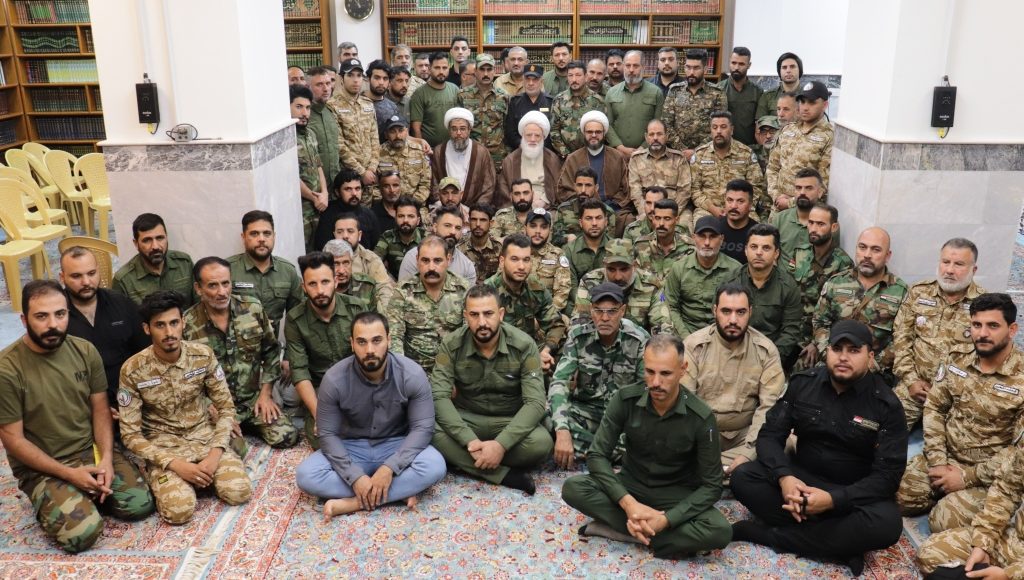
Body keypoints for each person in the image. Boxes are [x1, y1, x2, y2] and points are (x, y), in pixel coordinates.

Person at [730, 320, 908, 576]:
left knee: (887, 524)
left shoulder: (886, 405)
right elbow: (769, 436)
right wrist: (784, 478)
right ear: (827, 351)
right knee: (743, 477)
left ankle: (769, 535)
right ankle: (840, 543)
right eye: (837, 349)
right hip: (800, 482)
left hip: (850, 494)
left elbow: (888, 476)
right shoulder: (803, 383)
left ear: (870, 357)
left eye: (853, 350)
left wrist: (833, 501)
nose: (843, 357)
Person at [0, 281, 154, 552]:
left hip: (88, 451)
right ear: (24, 320)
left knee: (140, 504)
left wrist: (105, 459)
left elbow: (100, 410)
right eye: (41, 316)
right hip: (45, 466)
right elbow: (13, 439)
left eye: (60, 314)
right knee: (81, 535)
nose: (53, 324)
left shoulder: (85, 351)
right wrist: (70, 475)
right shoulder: (7, 369)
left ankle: (86, 491)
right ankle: (58, 496)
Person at [562, 334, 731, 557]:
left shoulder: (701, 417)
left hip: (675, 493)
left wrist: (667, 519)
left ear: (683, 369)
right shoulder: (625, 399)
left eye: (665, 373)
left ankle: (628, 531)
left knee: (720, 531)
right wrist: (628, 504)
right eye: (650, 371)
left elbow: (712, 485)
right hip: (631, 485)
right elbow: (597, 456)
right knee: (573, 488)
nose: (656, 382)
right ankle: (658, 536)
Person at [119, 291, 252, 525]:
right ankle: (174, 478)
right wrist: (176, 465)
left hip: (204, 438)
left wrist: (215, 454)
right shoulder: (133, 370)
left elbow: (225, 409)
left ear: (183, 322)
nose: (169, 333)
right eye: (160, 325)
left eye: (174, 323)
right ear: (147, 328)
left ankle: (207, 472)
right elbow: (130, 435)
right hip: (165, 448)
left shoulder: (202, 356)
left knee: (239, 492)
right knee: (179, 511)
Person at [295, 312, 446, 518]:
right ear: (352, 344)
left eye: (377, 341)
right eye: (362, 342)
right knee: (306, 475)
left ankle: (354, 503)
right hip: (351, 447)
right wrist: (354, 476)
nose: (370, 350)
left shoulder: (412, 374)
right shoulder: (334, 378)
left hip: (395, 444)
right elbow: (327, 434)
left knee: (435, 465)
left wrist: (390, 468)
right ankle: (398, 491)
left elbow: (423, 428)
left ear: (389, 340)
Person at [896, 293, 1024, 533]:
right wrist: (938, 462)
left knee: (941, 522)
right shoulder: (957, 359)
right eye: (976, 325)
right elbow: (935, 407)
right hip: (946, 457)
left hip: (987, 474)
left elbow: (1018, 454)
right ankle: (945, 491)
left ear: (1012, 330)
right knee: (900, 496)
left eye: (993, 326)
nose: (982, 333)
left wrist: (967, 477)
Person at [431, 284, 553, 494]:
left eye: (488, 314)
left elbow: (535, 403)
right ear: (465, 316)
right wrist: (469, 440)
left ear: (501, 314)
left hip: (508, 419)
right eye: (474, 315)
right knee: (428, 430)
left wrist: (501, 445)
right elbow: (438, 397)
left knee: (542, 444)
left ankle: (464, 460)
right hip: (468, 419)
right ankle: (501, 474)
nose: (482, 322)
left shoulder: (524, 345)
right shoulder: (451, 344)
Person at [183, 258, 299, 450]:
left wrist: (266, 394)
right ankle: (234, 431)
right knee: (234, 450)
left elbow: (271, 352)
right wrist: (209, 406)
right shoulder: (187, 324)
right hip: (217, 406)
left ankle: (250, 424)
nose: (222, 292)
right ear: (198, 288)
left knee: (287, 436)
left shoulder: (252, 309)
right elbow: (185, 376)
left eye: (225, 283)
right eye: (212, 286)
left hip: (252, 400)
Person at [683, 283, 784, 474]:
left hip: (745, 436)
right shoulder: (694, 346)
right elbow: (685, 403)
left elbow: (769, 408)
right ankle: (727, 469)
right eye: (726, 311)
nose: (733, 320)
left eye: (741, 312)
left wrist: (748, 453)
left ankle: (713, 469)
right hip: (702, 433)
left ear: (750, 312)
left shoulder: (765, 350)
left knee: (787, 442)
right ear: (714, 311)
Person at [549, 282, 648, 468]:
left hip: (622, 418)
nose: (604, 318)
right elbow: (560, 382)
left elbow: (646, 389)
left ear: (622, 311)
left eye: (612, 311)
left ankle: (592, 453)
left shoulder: (638, 339)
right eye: (598, 311)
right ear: (591, 311)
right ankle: (612, 454)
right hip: (586, 414)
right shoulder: (578, 337)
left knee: (649, 436)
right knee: (550, 420)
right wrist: (562, 431)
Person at [892, 239, 985, 430]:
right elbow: (901, 338)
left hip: (957, 397)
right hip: (914, 386)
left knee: (957, 444)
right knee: (883, 432)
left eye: (959, 264)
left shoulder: (984, 304)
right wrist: (910, 380)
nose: (949, 270)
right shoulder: (919, 292)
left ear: (973, 270)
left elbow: (988, 355)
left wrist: (956, 392)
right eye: (945, 262)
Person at [285, 252, 369, 448]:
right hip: (321, 387)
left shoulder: (357, 309)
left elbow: (370, 355)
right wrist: (320, 415)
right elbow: (299, 371)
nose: (320, 290)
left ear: (335, 282)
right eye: (312, 284)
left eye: (325, 282)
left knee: (379, 425)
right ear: (304, 287)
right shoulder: (295, 319)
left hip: (358, 381)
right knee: (322, 439)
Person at [61, 247, 149, 420]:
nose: (86, 281)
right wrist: (95, 409)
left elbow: (146, 355)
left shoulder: (121, 304)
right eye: (76, 276)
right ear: (62, 277)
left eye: (91, 273)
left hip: (131, 401)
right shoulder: (56, 316)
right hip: (80, 409)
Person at [809, 227, 908, 376]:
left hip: (874, 373)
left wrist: (872, 365)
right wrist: (829, 355)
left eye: (876, 250)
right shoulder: (836, 283)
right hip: (832, 366)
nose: (867, 255)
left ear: (887, 256)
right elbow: (820, 322)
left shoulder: (900, 292)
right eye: (862, 247)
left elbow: (902, 338)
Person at [915, 445, 1024, 579]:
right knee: (929, 555)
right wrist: (982, 544)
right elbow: (1006, 492)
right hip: (1016, 539)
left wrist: (1009, 575)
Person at [388, 236, 470, 372]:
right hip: (414, 370)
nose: (431, 267)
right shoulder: (403, 291)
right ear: (417, 260)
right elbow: (395, 337)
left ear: (448, 260)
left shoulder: (464, 290)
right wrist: (403, 372)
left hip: (453, 369)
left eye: (437, 261)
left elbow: (470, 335)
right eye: (425, 260)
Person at [483, 233, 566, 368]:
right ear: (502, 261)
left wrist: (545, 351)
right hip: (498, 358)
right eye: (514, 259)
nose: (521, 266)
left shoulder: (535, 287)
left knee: (566, 343)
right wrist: (530, 361)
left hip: (529, 350)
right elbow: (480, 339)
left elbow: (556, 325)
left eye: (526, 260)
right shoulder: (487, 292)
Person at [731, 224, 802, 368]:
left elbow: (791, 331)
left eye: (766, 248)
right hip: (733, 354)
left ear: (776, 253)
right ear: (746, 250)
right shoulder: (730, 282)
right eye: (754, 247)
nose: (759, 253)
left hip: (772, 357)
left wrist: (771, 359)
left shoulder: (788, 286)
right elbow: (719, 322)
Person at [784, 203, 853, 348]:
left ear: (834, 227)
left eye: (820, 224)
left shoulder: (843, 264)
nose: (814, 229)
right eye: (811, 223)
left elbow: (839, 314)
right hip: (790, 328)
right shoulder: (800, 253)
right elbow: (787, 290)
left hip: (817, 336)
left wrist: (815, 343)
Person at [227, 210, 304, 337]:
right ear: (243, 237)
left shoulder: (287, 271)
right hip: (235, 345)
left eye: (267, 233)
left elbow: (298, 317)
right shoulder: (228, 269)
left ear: (274, 236)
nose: (261, 239)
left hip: (272, 345)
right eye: (254, 234)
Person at [663, 216, 742, 339]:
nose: (707, 243)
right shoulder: (679, 268)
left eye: (712, 237)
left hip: (723, 334)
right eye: (702, 236)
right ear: (694, 238)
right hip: (686, 331)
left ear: (721, 239)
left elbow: (740, 308)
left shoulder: (735, 270)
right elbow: (671, 306)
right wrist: (686, 337)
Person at [572, 238, 673, 334]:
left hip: (639, 341)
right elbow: (579, 323)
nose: (618, 277)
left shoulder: (652, 284)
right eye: (611, 269)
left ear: (634, 265)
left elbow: (663, 325)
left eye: (624, 269)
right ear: (604, 265)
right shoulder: (590, 282)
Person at [556, 111, 632, 233]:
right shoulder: (573, 158)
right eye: (590, 132)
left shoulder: (617, 157)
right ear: (584, 133)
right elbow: (562, 190)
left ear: (604, 133)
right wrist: (581, 199)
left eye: (598, 132)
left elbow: (626, 189)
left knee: (628, 220)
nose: (594, 135)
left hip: (612, 207)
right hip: (579, 206)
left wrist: (610, 205)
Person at [767, 81, 834, 213]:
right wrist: (776, 196)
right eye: (802, 102)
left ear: (825, 105)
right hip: (778, 206)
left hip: (806, 211)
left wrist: (790, 203)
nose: (805, 107)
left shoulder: (829, 136)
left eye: (812, 103)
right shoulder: (788, 129)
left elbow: (823, 184)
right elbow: (772, 167)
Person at [689, 111, 766, 224]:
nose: (718, 131)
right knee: (702, 225)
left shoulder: (745, 153)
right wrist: (712, 208)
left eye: (723, 127)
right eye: (715, 127)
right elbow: (694, 190)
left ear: (732, 130)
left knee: (755, 229)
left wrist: (739, 207)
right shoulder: (700, 155)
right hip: (708, 210)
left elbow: (756, 186)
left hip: (741, 208)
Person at [112, 213, 196, 307]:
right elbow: (120, 315)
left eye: (160, 238)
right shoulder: (123, 280)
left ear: (166, 238)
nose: (155, 246)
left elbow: (199, 304)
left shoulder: (184, 263)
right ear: (136, 244)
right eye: (147, 240)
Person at [663, 49, 728, 157]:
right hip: (677, 154)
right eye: (688, 67)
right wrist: (682, 150)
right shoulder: (674, 90)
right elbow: (666, 124)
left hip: (707, 154)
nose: (691, 72)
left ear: (705, 69)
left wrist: (697, 151)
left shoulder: (717, 93)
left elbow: (719, 127)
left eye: (696, 68)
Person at [329, 59, 380, 190]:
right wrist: (362, 172)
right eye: (350, 75)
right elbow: (339, 145)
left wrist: (371, 168)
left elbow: (374, 138)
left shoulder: (368, 104)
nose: (356, 80)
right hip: (348, 176)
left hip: (371, 174)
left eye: (359, 75)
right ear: (341, 78)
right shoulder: (332, 105)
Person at [430, 107, 496, 207]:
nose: (458, 133)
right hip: (445, 207)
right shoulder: (439, 151)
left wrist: (477, 210)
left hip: (473, 209)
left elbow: (488, 186)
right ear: (449, 130)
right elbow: (433, 182)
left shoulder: (481, 152)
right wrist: (441, 205)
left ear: (469, 130)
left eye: (462, 128)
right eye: (454, 129)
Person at [627, 119, 691, 219]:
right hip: (646, 210)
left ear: (667, 136)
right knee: (637, 227)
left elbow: (684, 191)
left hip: (675, 209)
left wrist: (671, 213)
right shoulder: (636, 159)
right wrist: (645, 212)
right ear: (646, 137)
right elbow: (635, 191)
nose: (655, 138)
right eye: (651, 134)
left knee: (684, 225)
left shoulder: (678, 158)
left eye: (659, 134)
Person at [605, 50, 664, 157]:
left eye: (636, 66)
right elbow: (607, 125)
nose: (631, 70)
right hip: (617, 154)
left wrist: (642, 148)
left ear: (643, 67)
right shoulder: (611, 93)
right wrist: (620, 147)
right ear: (623, 67)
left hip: (647, 153)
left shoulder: (656, 93)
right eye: (628, 65)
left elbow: (659, 125)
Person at [498, 111, 562, 209]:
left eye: (537, 135)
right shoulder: (510, 160)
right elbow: (503, 189)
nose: (532, 139)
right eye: (528, 135)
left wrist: (544, 201)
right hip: (517, 205)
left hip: (546, 206)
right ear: (522, 135)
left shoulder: (552, 159)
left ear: (543, 137)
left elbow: (558, 186)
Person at [292, 84, 329, 251]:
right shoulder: (287, 139)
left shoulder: (310, 134)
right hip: (301, 209)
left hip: (319, 206)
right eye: (299, 107)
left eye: (307, 108)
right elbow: (291, 176)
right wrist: (313, 198)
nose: (304, 113)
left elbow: (318, 165)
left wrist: (325, 193)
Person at [398, 205, 477, 284]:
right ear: (435, 227)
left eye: (458, 228)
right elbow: (403, 290)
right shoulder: (413, 258)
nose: (453, 232)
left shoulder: (466, 266)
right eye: (447, 226)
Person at [457, 54, 509, 171]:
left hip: (497, 155)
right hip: (471, 152)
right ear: (475, 71)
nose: (486, 74)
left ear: (494, 71)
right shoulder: (463, 95)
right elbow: (458, 125)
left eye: (489, 69)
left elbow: (507, 126)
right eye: (482, 69)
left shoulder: (503, 96)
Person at [314, 169, 382, 253]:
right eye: (348, 189)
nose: (354, 193)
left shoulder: (369, 215)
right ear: (337, 192)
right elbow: (322, 248)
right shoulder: (327, 214)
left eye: (357, 189)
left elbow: (376, 248)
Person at [768, 168, 828, 261]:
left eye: (809, 188)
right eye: (798, 188)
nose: (802, 192)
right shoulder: (779, 219)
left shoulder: (827, 222)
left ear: (820, 193)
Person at [550, 60, 606, 159]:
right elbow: (554, 131)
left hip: (590, 156)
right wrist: (566, 154)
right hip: (565, 158)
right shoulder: (559, 100)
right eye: (570, 75)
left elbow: (602, 131)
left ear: (586, 77)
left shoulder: (597, 101)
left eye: (578, 75)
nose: (574, 79)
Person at [632, 198, 693, 286]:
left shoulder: (690, 248)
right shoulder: (640, 245)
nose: (661, 223)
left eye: (667, 219)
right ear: (653, 219)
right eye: (657, 218)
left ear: (677, 220)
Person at [552, 167, 618, 247]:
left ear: (596, 188)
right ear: (574, 186)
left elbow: (609, 242)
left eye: (588, 185)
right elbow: (555, 239)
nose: (583, 190)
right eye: (579, 185)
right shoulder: (563, 209)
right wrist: (566, 238)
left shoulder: (607, 212)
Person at [525, 207, 573, 314]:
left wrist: (546, 315)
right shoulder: (516, 252)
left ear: (550, 230)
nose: (538, 231)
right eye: (533, 226)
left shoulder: (557, 254)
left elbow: (562, 291)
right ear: (525, 228)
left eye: (543, 227)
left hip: (548, 313)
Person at [410, 51, 459, 147]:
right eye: (437, 68)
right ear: (429, 69)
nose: (441, 72)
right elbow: (416, 128)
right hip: (430, 149)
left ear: (448, 68)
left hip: (453, 147)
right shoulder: (419, 94)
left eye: (444, 68)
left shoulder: (455, 90)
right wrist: (422, 150)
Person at [715, 47, 762, 146]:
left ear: (749, 65)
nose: (736, 67)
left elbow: (759, 123)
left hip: (749, 147)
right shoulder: (718, 89)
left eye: (741, 64)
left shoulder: (757, 92)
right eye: (733, 63)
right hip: (724, 146)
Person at [504, 64, 554, 152]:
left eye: (535, 79)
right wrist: (522, 145)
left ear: (541, 81)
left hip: (545, 152)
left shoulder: (551, 102)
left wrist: (540, 147)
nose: (531, 83)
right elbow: (510, 131)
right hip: (520, 151)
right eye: (527, 79)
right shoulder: (515, 102)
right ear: (523, 80)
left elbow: (554, 131)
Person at [563, 199, 613, 286]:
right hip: (580, 294)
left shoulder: (617, 248)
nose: (594, 223)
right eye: (589, 218)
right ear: (581, 223)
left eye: (598, 218)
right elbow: (571, 286)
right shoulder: (569, 251)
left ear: (606, 221)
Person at [306, 66, 341, 185]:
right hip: (314, 186)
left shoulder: (331, 111)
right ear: (308, 87)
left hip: (335, 183)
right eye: (319, 85)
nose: (326, 89)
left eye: (328, 83)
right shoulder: (304, 115)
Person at [374, 195, 424, 280]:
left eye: (410, 216)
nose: (405, 220)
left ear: (418, 220)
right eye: (401, 216)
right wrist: (389, 279)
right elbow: (375, 261)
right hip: (394, 284)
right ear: (395, 218)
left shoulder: (427, 238)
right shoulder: (388, 237)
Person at [324, 239, 381, 311]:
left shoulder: (366, 286)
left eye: (346, 263)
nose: (341, 271)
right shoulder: (320, 289)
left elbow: (376, 316)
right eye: (335, 264)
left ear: (352, 262)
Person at [458, 203, 502, 280]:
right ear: (469, 221)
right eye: (474, 219)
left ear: (491, 223)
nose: (478, 224)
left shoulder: (500, 248)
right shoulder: (458, 248)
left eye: (483, 220)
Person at [755, 52, 803, 121]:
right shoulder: (768, 96)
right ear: (779, 71)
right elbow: (759, 123)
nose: (788, 70)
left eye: (792, 67)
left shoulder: (808, 95)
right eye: (784, 67)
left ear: (799, 70)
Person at [718, 180, 757, 264]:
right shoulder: (714, 228)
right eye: (730, 200)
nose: (733, 206)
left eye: (740, 201)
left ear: (750, 204)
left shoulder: (757, 233)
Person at [364, 60, 399, 143]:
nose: (381, 82)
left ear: (389, 82)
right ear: (368, 79)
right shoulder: (357, 103)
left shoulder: (392, 107)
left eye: (385, 79)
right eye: (377, 78)